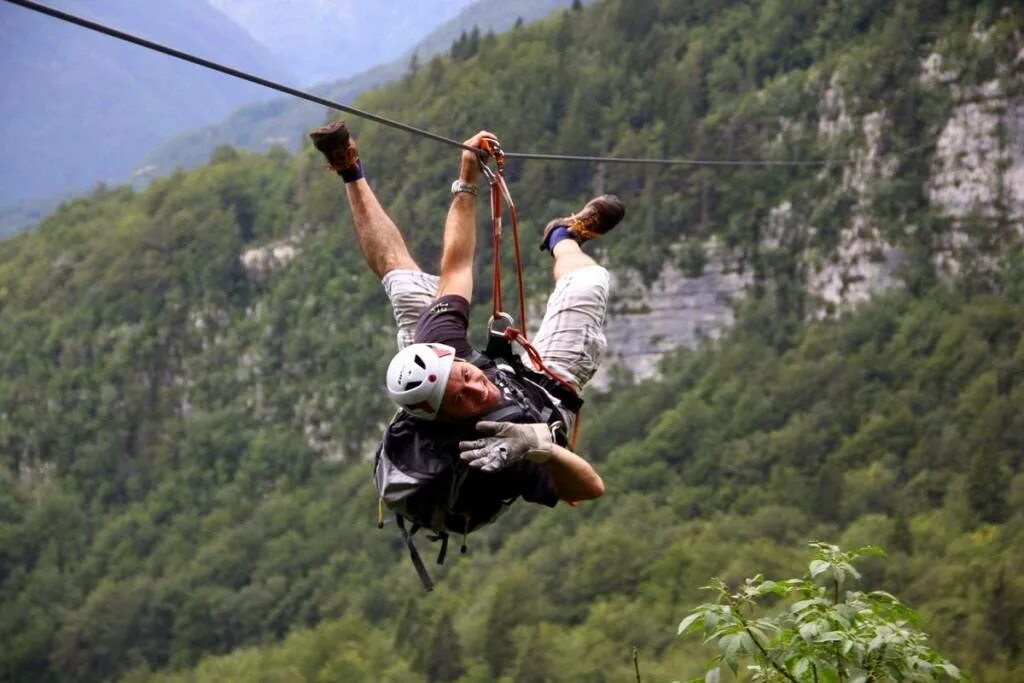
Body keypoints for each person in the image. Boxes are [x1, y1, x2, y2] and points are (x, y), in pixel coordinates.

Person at [309, 120, 623, 550]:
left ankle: (349, 169)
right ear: (441, 418)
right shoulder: (482, 454)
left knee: (402, 281)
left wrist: (467, 178)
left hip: (477, 369)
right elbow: (588, 489)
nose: (478, 387)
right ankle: (565, 237)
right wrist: (539, 447)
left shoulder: (438, 347)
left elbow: (457, 264)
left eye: (466, 376)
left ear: (451, 356)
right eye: (462, 399)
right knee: (589, 283)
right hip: (547, 394)